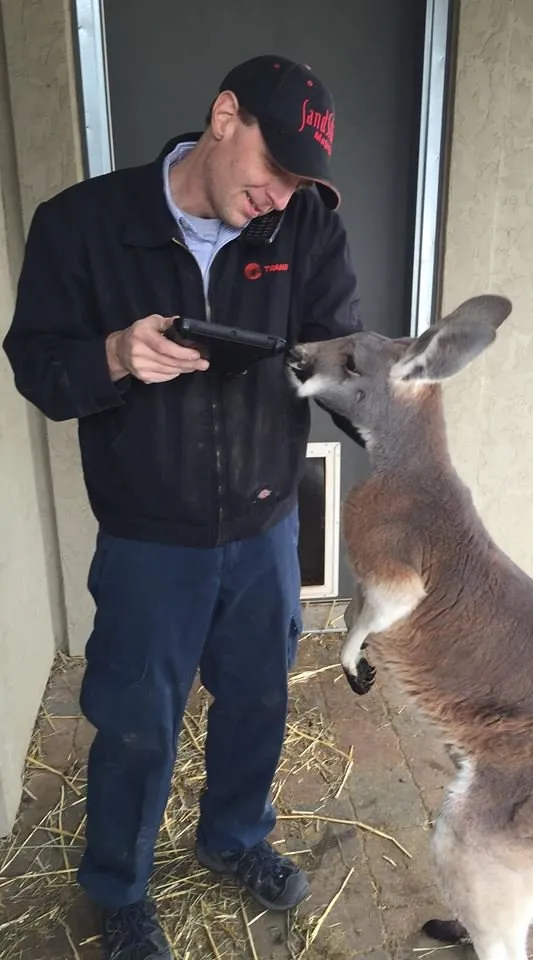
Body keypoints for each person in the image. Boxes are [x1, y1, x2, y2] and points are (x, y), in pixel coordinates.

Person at [3, 55, 363, 960]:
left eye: (299, 180)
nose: (279, 196)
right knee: (135, 720)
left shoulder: (307, 224)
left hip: (266, 524)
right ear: (223, 115)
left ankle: (235, 837)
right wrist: (116, 357)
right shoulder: (83, 225)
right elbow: (38, 368)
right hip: (148, 537)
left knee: (257, 700)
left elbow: (339, 350)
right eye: (272, 168)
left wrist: (401, 437)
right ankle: (119, 886)